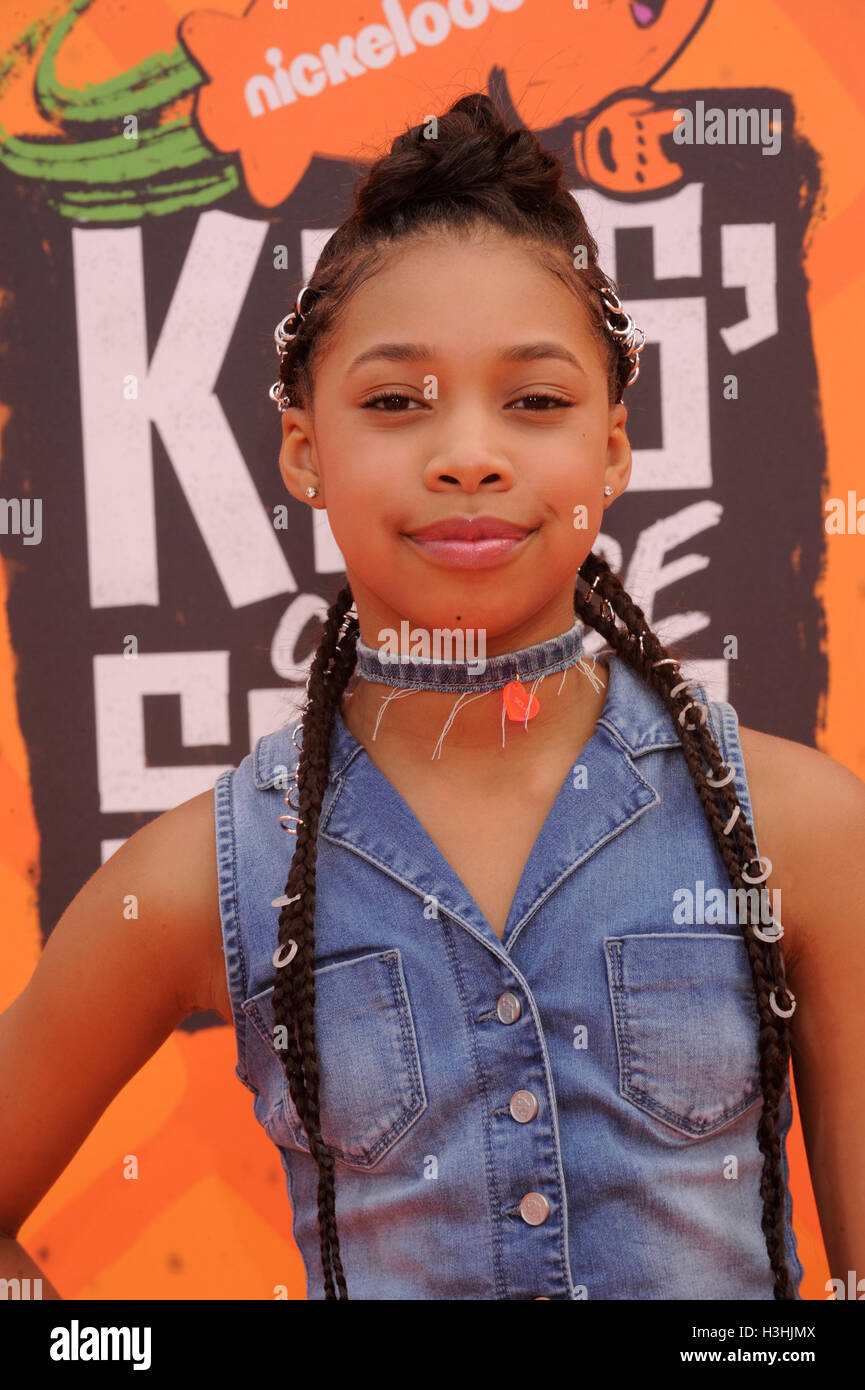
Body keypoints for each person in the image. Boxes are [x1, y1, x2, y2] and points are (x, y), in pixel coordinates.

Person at [1, 92, 863, 1303]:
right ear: (304, 449)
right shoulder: (215, 872)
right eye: (397, 401)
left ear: (614, 447)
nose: (469, 452)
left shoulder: (803, 832)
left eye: (536, 401)